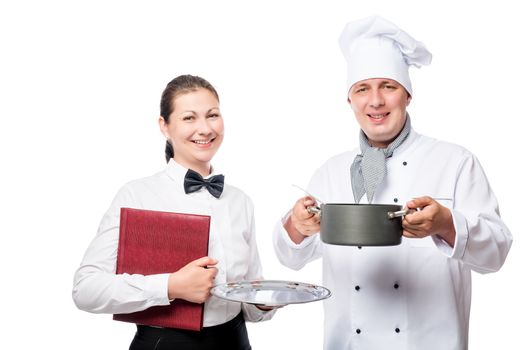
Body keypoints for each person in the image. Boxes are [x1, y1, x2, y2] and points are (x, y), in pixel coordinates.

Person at [273, 16, 512, 350]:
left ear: (407, 95)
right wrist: (297, 226)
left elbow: (497, 252)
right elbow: (290, 256)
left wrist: (445, 223)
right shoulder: (330, 171)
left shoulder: (455, 161)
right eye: (362, 89)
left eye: (388, 86)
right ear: (350, 100)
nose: (375, 101)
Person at [73, 74, 276, 350]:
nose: (204, 129)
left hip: (236, 342)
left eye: (212, 115)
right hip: (164, 343)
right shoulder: (137, 195)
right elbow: (86, 289)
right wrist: (171, 286)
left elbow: (249, 303)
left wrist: (264, 301)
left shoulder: (241, 201)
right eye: (189, 118)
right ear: (165, 126)